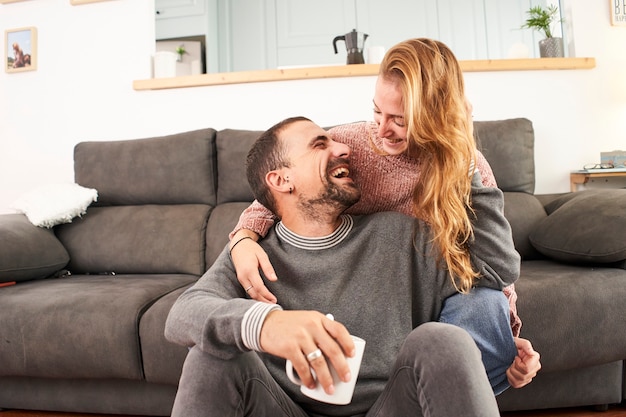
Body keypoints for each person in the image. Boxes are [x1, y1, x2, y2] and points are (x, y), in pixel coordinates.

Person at [228, 38, 540, 389]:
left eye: (400, 120)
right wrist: (242, 239)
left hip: (436, 295)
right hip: (374, 295)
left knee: (483, 306)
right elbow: (281, 191)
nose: (381, 128)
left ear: (436, 117)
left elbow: (497, 272)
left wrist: (506, 336)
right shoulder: (349, 145)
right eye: (377, 111)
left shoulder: (467, 167)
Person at [165, 117, 523, 416]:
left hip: (389, 408)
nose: (343, 149)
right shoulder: (251, 257)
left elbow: (493, 270)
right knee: (211, 353)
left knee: (444, 340)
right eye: (320, 145)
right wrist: (265, 324)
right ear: (280, 180)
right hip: (283, 408)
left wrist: (465, 160)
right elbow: (182, 315)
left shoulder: (401, 236)